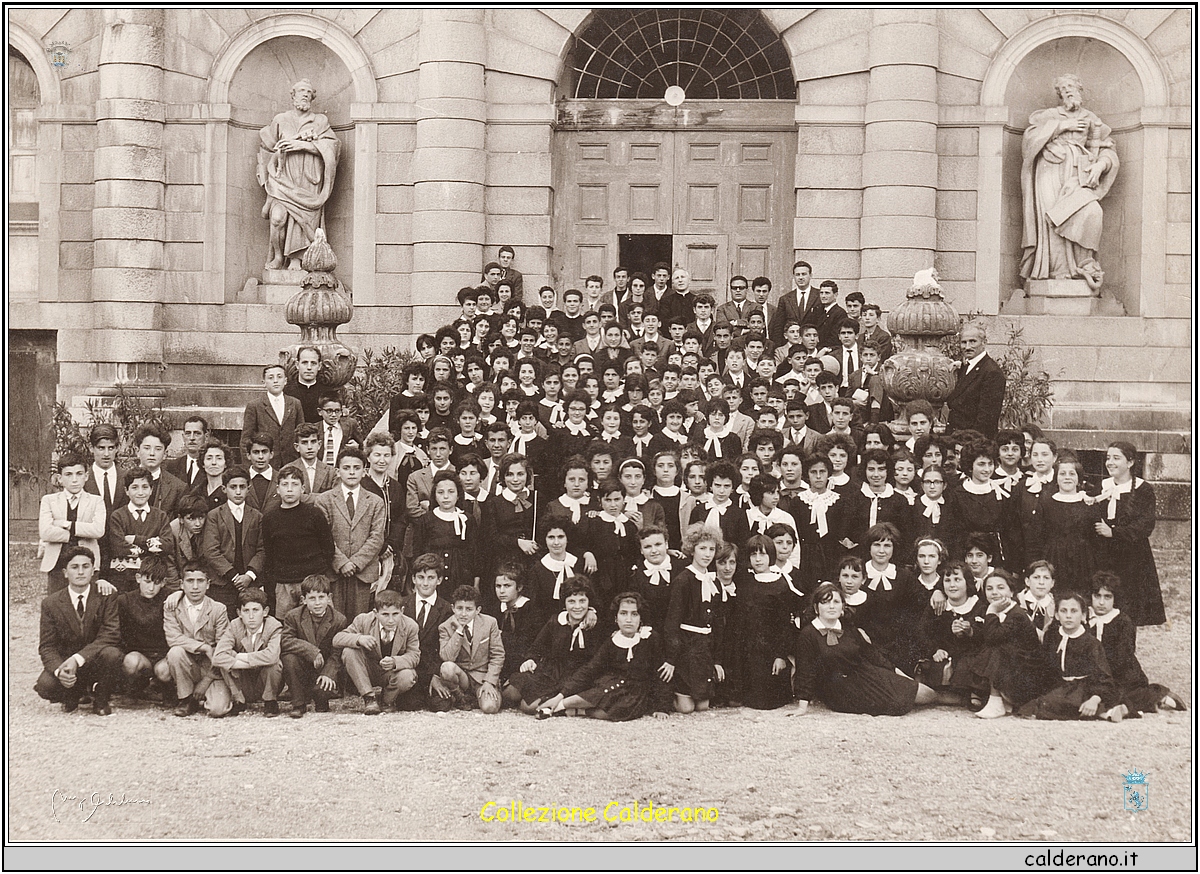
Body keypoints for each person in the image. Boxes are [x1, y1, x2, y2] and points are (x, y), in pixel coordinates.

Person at [1019, 74, 1118, 288]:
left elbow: (1107, 150)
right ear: (1059, 95)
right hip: (1049, 171)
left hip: (1079, 174)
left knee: (1092, 212)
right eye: (1063, 89)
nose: (1068, 91)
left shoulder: (1093, 119)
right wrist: (1062, 126)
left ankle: (1084, 264)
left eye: (1071, 86)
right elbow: (1029, 141)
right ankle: (1057, 273)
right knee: (1052, 219)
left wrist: (1101, 165)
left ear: (1080, 89)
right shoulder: (1049, 115)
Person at [792, 582, 938, 717]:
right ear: (816, 608)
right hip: (840, 690)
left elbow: (872, 654)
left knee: (927, 694)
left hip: (867, 675)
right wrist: (802, 707)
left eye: (836, 602)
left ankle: (954, 698)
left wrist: (902, 676)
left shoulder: (848, 628)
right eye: (825, 602)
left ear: (842, 607)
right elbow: (806, 670)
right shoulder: (808, 634)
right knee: (898, 703)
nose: (831, 606)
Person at [538, 591, 673, 721]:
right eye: (623, 614)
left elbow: (661, 674)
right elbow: (590, 668)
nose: (628, 619)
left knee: (610, 713)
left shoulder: (650, 638)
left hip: (635, 692)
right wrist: (562, 694)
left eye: (635, 614)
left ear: (641, 618)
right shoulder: (612, 640)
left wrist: (662, 707)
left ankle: (569, 710)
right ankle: (559, 704)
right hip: (611, 685)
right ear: (616, 617)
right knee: (605, 691)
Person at [257, 79, 340, 271]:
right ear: (293, 95)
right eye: (302, 91)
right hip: (283, 179)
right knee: (277, 218)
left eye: (309, 92)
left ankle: (297, 260)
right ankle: (278, 257)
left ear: (312, 98)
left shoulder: (320, 121)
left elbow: (333, 148)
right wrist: (267, 174)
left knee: (303, 221)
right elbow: (267, 148)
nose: (305, 95)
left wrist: (303, 145)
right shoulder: (280, 120)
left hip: (309, 180)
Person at [34, 546, 123, 716]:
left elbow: (111, 634)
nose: (81, 572)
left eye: (86, 566)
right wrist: (60, 671)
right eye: (74, 567)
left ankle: (101, 700)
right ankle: (74, 693)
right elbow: (47, 646)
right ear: (65, 572)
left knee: (112, 653)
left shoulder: (106, 596)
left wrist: (78, 659)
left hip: (96, 661)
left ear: (93, 570)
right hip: (68, 664)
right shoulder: (50, 603)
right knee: (46, 685)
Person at [1089, 572, 1186, 716]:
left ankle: (1157, 695)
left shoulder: (1123, 622)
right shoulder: (1085, 619)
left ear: (1115, 599)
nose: (1101, 602)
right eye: (1097, 596)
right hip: (1096, 674)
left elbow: (1123, 656)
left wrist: (1104, 675)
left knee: (1120, 695)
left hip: (1121, 674)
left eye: (1107, 597)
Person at [951, 569, 1044, 718]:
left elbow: (993, 637)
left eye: (1000, 588)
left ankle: (996, 701)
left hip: (1026, 670)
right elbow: (984, 634)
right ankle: (989, 696)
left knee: (996, 649)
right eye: (989, 588)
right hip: (1010, 665)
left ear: (1012, 592)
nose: (994, 592)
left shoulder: (1017, 614)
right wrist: (969, 631)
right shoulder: (990, 609)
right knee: (973, 654)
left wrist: (992, 611)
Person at [1090, 441, 1165, 626]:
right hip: (1103, 556)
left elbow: (1145, 525)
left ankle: (1126, 652)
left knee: (1129, 609)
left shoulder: (1142, 489)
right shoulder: (1101, 487)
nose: (1110, 462)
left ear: (1130, 462)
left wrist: (1113, 533)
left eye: (1116, 458)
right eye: (1108, 458)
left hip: (1132, 558)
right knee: (1103, 605)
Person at [1019, 591, 1122, 721]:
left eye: (1074, 611)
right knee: (1035, 703)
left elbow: (1102, 675)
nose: (1068, 616)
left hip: (1084, 687)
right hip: (1060, 685)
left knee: (1059, 704)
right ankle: (1106, 713)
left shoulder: (1090, 642)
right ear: (1056, 615)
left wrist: (1095, 698)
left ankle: (1103, 710)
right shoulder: (1052, 636)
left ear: (1083, 615)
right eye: (1063, 611)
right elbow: (1045, 666)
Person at [663, 524, 729, 714]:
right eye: (702, 548)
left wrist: (717, 660)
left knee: (703, 706)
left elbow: (717, 623)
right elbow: (672, 622)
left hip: (704, 647)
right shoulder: (683, 580)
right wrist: (671, 658)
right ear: (692, 549)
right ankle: (669, 696)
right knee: (686, 708)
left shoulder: (714, 580)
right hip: (685, 646)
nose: (707, 554)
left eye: (711, 549)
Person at [317, 447, 387, 622]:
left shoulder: (375, 501)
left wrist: (355, 563)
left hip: (361, 572)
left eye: (356, 468)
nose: (351, 472)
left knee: (359, 619)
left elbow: (377, 537)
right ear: (338, 471)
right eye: (346, 468)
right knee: (334, 619)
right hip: (333, 571)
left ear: (364, 471)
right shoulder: (324, 500)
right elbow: (322, 537)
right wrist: (341, 562)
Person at [510, 577, 598, 713]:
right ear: (564, 603)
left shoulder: (593, 626)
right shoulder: (556, 621)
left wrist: (592, 611)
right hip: (550, 673)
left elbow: (591, 666)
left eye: (582, 601)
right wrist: (530, 659)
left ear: (589, 602)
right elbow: (537, 648)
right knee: (511, 691)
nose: (577, 607)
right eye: (571, 602)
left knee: (527, 707)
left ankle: (566, 707)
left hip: (577, 677)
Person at [262, 466, 335, 618]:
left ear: (302, 488)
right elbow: (269, 552)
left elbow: (328, 547)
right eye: (285, 484)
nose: (289, 489)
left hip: (313, 582)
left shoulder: (314, 514)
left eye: (294, 484)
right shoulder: (270, 518)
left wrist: (317, 573)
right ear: (277, 489)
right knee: (287, 623)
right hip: (284, 583)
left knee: (319, 620)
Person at [731, 535, 793, 710]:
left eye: (763, 554)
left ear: (771, 556)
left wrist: (780, 655)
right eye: (753, 555)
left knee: (764, 701)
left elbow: (784, 625)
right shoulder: (745, 580)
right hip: (746, 648)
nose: (757, 559)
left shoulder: (779, 584)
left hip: (769, 650)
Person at [335, 589, 420, 714]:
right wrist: (359, 639)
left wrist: (395, 661)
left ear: (402, 611)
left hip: (391, 672)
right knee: (349, 651)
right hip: (368, 670)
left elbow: (414, 655)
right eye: (385, 614)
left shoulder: (410, 626)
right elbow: (337, 639)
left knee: (408, 675)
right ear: (375, 613)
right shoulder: (363, 620)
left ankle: (387, 701)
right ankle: (369, 698)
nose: (391, 620)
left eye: (395, 614)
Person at [165, 563, 231, 717]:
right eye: (190, 581)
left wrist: (207, 680)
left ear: (208, 584)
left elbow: (223, 650)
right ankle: (186, 699)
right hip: (187, 664)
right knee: (175, 652)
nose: (195, 586)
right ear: (181, 584)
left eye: (200, 581)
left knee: (217, 709)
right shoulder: (172, 606)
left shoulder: (218, 609)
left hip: (212, 668)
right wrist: (204, 647)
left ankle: (204, 695)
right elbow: (173, 637)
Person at [279, 574, 346, 718]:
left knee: (323, 694)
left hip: (325, 669)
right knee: (289, 657)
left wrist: (328, 673)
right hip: (303, 669)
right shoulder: (293, 616)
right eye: (312, 598)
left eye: (321, 597)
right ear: (303, 600)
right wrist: (312, 651)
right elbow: (285, 640)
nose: (317, 603)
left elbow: (337, 653)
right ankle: (298, 704)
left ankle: (322, 699)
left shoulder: (339, 620)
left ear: (329, 598)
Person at [200, 467, 264, 619]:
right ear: (224, 489)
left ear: (248, 489)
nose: (238, 492)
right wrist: (234, 576)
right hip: (223, 584)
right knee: (223, 622)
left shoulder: (257, 516)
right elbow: (211, 550)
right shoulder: (214, 516)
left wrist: (249, 575)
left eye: (242, 487)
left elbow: (262, 549)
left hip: (250, 582)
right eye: (233, 487)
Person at [209, 588, 284, 718]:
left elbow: (272, 656)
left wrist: (239, 657)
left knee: (275, 664)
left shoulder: (273, 626)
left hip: (263, 680)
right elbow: (217, 657)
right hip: (243, 681)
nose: (251, 616)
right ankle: (239, 699)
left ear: (265, 612)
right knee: (224, 664)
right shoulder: (235, 626)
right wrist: (251, 663)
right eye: (246, 611)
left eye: (255, 610)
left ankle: (270, 701)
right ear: (239, 613)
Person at [38, 452, 106, 594]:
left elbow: (98, 530)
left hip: (87, 563)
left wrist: (66, 524)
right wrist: (77, 534)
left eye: (79, 474)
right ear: (59, 478)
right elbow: (45, 532)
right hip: (58, 564)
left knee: (87, 606)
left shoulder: (96, 501)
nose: (74, 480)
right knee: (58, 606)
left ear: (86, 476)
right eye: (68, 474)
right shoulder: (49, 500)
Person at [398, 553, 455, 711]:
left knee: (441, 705)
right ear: (414, 579)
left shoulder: (446, 610)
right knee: (409, 705)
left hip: (433, 669)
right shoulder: (402, 606)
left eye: (430, 578)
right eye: (421, 577)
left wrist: (435, 676)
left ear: (439, 580)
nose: (425, 583)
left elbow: (444, 649)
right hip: (410, 669)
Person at [439, 585, 505, 714]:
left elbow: (498, 655)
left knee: (490, 708)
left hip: (482, 676)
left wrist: (490, 682)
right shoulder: (445, 627)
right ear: (453, 608)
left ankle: (476, 698)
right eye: (459, 608)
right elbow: (447, 657)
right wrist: (459, 631)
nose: (463, 614)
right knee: (447, 667)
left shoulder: (490, 623)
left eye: (469, 609)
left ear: (477, 610)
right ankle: (460, 697)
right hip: (461, 677)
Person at [411, 470, 478, 598]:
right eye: (441, 492)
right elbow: (417, 552)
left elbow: (474, 552)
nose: (446, 497)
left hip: (460, 577)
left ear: (458, 495)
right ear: (435, 495)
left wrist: (475, 582)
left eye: (451, 492)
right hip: (433, 579)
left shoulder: (467, 519)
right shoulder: (426, 520)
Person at [107, 468, 175, 594]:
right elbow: (118, 547)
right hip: (124, 577)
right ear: (126, 491)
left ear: (151, 490)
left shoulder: (160, 516)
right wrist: (152, 544)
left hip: (152, 578)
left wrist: (134, 540)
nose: (140, 492)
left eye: (145, 487)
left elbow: (167, 545)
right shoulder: (118, 516)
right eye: (134, 487)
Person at [117, 560, 172, 703]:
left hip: (164, 655)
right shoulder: (125, 600)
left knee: (164, 670)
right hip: (141, 655)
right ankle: (136, 688)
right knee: (131, 661)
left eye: (157, 583)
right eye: (147, 581)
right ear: (138, 578)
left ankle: (165, 689)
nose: (151, 588)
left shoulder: (170, 598)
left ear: (164, 582)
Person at [943, 324, 1005, 439]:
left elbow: (986, 420)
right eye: (964, 342)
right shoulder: (967, 367)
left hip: (973, 443)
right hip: (956, 438)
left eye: (973, 341)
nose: (967, 347)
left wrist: (971, 446)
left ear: (984, 342)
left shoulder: (991, 372)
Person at [494, 562, 543, 709]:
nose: (501, 591)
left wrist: (502, 636)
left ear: (519, 587)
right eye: (498, 586)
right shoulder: (494, 608)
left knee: (513, 692)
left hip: (521, 666)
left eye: (507, 586)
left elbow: (529, 644)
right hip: (497, 666)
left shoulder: (531, 610)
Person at [241, 364, 305, 467]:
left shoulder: (295, 403)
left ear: (285, 381)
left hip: (291, 462)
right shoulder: (255, 406)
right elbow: (246, 439)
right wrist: (250, 467)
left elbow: (301, 434)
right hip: (266, 464)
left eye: (279, 377)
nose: (275, 381)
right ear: (264, 383)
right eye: (271, 378)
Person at [133, 424, 187, 518]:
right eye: (147, 448)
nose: (152, 453)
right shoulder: (122, 481)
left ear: (165, 454)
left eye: (158, 449)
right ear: (137, 451)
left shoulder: (178, 487)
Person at [770, 261, 819, 348]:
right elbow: (778, 326)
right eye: (798, 274)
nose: (800, 277)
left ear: (811, 275)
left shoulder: (819, 296)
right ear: (793, 276)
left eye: (804, 274)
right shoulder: (785, 299)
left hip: (813, 346)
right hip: (791, 347)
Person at [283, 423, 337, 496]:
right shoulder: (287, 469)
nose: (309, 447)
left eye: (313, 442)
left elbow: (333, 497)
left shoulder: (331, 472)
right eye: (304, 442)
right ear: (297, 447)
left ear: (319, 445)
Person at [164, 415, 209, 488]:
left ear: (206, 437)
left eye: (197, 433)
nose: (192, 438)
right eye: (188, 433)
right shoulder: (172, 466)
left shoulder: (210, 466)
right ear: (183, 437)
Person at [285, 347, 324, 423]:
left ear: (319, 366)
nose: (309, 368)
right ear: (297, 364)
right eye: (304, 363)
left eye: (313, 363)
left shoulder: (327, 392)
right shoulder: (286, 392)